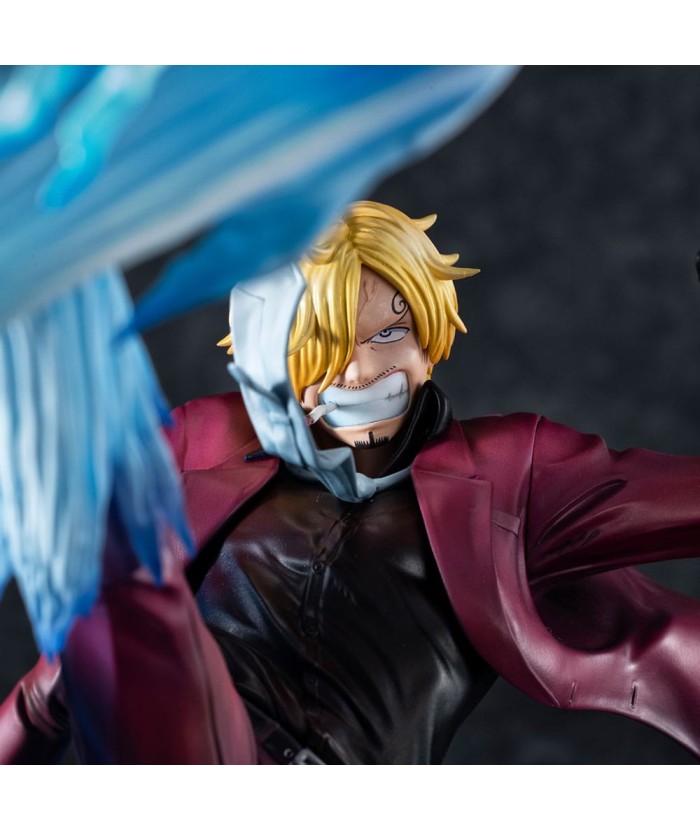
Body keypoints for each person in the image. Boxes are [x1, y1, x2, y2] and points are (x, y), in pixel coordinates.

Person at [2, 200, 700, 764]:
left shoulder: (507, 471)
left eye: (390, 334)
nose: (365, 374)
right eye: (331, 349)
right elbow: (70, 662)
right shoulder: (206, 441)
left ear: (429, 337)